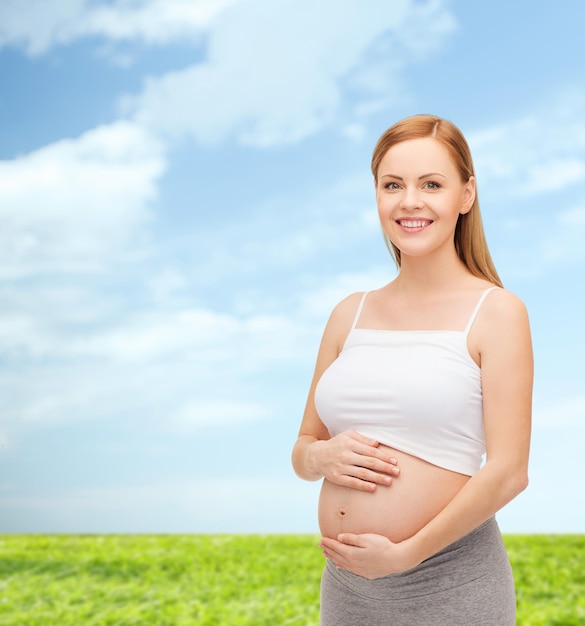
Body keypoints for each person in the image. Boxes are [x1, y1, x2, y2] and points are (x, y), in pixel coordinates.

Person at [291, 114, 533, 625]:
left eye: (432, 184)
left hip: (450, 584)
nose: (410, 202)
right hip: (347, 589)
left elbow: (509, 473)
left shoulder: (496, 312)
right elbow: (303, 448)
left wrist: (407, 554)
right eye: (392, 185)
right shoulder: (348, 313)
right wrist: (321, 458)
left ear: (466, 195)